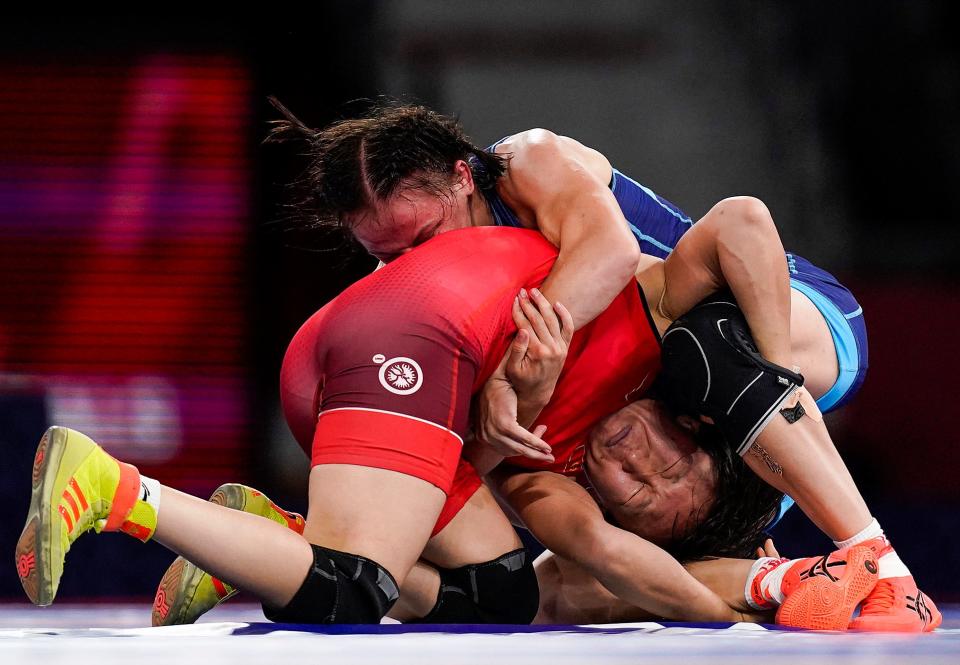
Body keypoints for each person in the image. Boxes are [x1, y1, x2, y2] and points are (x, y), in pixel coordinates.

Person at [258, 100, 938, 631]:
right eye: (386, 257)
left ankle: (886, 568)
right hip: (673, 401)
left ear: (464, 175)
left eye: (423, 237)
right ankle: (297, 547)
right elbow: (478, 468)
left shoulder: (529, 162)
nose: (410, 267)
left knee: (703, 352)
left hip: (777, 307)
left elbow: (616, 250)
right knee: (551, 586)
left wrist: (510, 377)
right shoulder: (442, 281)